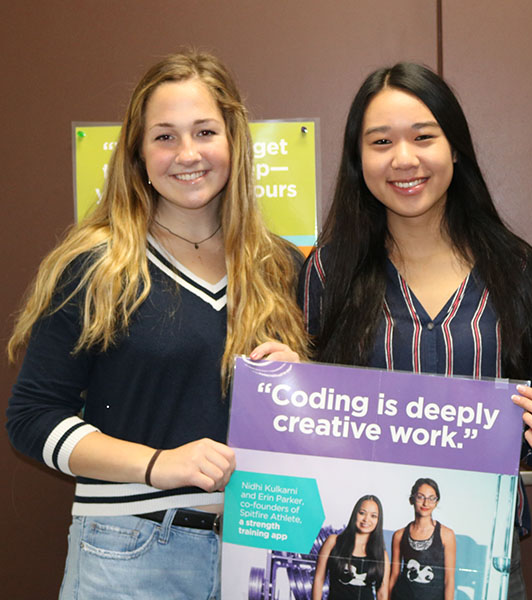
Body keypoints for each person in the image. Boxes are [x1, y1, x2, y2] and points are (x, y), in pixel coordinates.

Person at [6, 50, 309, 599]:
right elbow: (30, 419)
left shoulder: (281, 266)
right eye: (164, 136)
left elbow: (323, 434)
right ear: (137, 154)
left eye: (205, 132)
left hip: (264, 555)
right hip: (131, 555)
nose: (187, 154)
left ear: (235, 142)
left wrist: (303, 386)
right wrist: (159, 465)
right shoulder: (95, 265)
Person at [298, 62, 532, 599]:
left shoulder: (516, 270)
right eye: (381, 141)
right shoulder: (328, 273)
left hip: (481, 560)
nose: (404, 159)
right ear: (359, 159)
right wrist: (284, 382)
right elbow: (307, 432)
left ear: (455, 148)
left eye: (424, 136)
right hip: (370, 565)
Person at [312, 495, 390, 600]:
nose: (366, 519)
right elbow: (318, 579)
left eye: (373, 516)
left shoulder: (381, 554)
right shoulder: (333, 542)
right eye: (362, 513)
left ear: (378, 520)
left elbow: (382, 593)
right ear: (355, 514)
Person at [389, 478, 455, 600]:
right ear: (412, 499)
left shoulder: (447, 535)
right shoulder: (399, 535)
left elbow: (449, 580)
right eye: (420, 497)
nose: (426, 503)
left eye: (431, 498)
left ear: (436, 502)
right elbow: (394, 575)